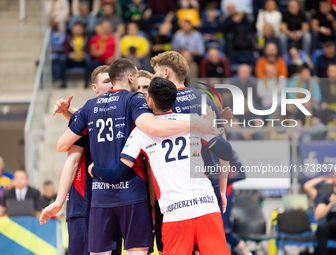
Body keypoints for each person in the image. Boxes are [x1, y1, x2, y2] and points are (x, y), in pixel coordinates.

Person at [56, 58, 215, 255]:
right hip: (138, 194)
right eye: (138, 85)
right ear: (130, 78)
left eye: (146, 87)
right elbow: (152, 126)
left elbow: (61, 144)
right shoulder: (136, 105)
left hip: (102, 196)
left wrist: (74, 116)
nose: (140, 90)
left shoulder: (90, 107)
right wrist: (197, 123)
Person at [88, 77, 232, 255]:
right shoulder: (192, 121)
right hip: (207, 206)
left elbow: (117, 174)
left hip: (175, 214)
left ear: (150, 101)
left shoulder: (141, 132)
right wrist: (213, 130)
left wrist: (93, 169)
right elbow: (226, 153)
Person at [40, 65, 123, 255]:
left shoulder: (118, 115)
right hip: (83, 199)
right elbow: (71, 158)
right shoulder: (88, 117)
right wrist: (58, 202)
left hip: (113, 200)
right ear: (94, 88)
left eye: (113, 80)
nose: (111, 85)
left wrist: (70, 112)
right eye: (106, 81)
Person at [60, 22, 92, 88]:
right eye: (76, 29)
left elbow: (88, 51)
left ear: (82, 30)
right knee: (62, 59)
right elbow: (65, 51)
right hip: (72, 60)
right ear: (73, 30)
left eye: (79, 29)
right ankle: (63, 82)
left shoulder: (87, 39)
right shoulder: (68, 39)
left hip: (82, 60)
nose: (77, 30)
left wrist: (82, 55)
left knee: (88, 59)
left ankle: (86, 83)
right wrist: (71, 55)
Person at [314, 179, 336, 255]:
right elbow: (317, 216)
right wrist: (331, 204)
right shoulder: (327, 195)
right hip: (333, 226)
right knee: (321, 228)